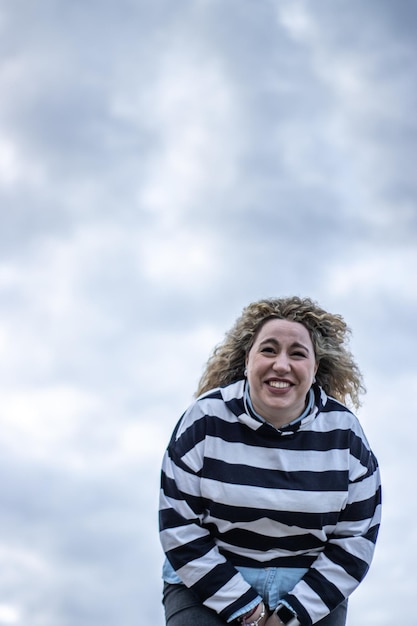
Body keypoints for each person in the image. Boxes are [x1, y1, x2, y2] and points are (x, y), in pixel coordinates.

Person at [159, 296, 381, 626]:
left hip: (311, 589)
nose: (281, 364)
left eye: (297, 354)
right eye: (268, 350)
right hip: (206, 582)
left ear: (315, 368)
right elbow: (179, 526)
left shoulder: (345, 435)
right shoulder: (203, 422)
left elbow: (356, 538)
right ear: (247, 360)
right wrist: (246, 608)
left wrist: (291, 615)